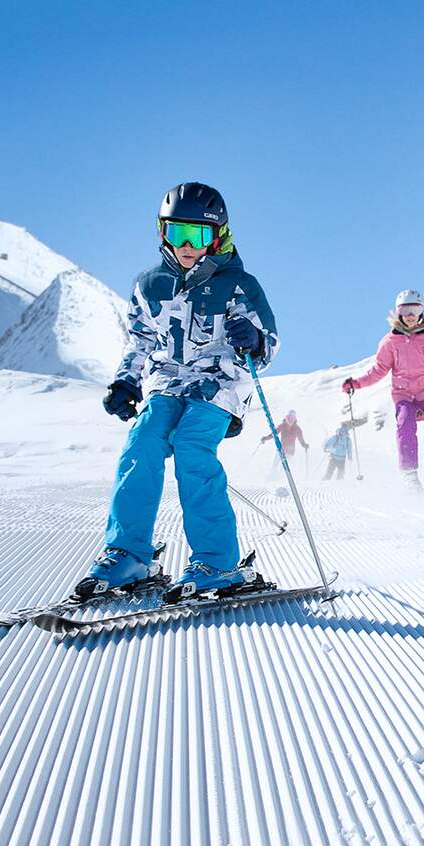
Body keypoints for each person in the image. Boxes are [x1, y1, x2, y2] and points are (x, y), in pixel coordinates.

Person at [74, 181, 279, 599]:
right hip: (167, 381)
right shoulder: (149, 285)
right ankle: (128, 554)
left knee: (191, 448)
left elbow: (268, 347)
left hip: (219, 385)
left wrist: (253, 339)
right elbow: (140, 342)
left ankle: (216, 563)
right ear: (161, 232)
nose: (187, 245)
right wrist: (126, 380)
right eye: (177, 233)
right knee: (141, 443)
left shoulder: (238, 284)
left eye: (198, 235)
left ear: (217, 235)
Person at [342, 289, 424, 494]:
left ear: (421, 311)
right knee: (404, 425)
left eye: (414, 310)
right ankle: (410, 475)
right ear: (398, 313)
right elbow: (378, 370)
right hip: (404, 394)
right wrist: (357, 383)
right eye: (405, 310)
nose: (410, 315)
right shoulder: (389, 342)